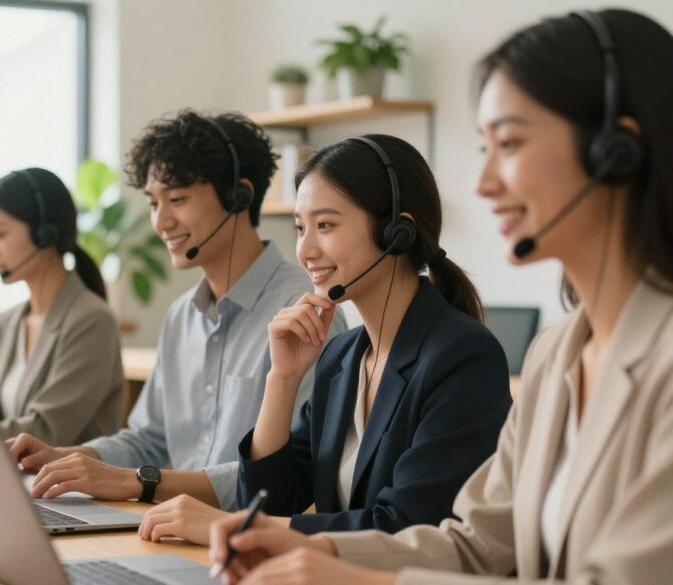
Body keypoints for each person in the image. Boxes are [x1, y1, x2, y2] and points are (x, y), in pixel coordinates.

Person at [208, 9, 673, 585]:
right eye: (485, 149)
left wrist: (355, 576)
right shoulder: (556, 356)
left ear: (614, 152)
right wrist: (309, 552)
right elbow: (476, 545)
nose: (483, 185)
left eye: (510, 142)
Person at [138, 135, 511, 545]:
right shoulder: (342, 357)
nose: (305, 249)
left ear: (396, 232)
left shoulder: (462, 358)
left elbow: (406, 528)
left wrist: (228, 525)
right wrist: (282, 380)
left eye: (326, 225)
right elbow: (270, 503)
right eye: (301, 228)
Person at [7, 110, 348, 511]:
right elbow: (149, 438)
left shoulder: (306, 313)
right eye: (154, 203)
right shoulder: (181, 316)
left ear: (239, 196)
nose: (161, 221)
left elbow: (287, 473)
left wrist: (140, 483)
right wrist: (66, 458)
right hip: (172, 526)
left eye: (178, 199)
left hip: (244, 539)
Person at [0, 167, 124, 445]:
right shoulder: (10, 322)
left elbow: (46, 430)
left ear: (45, 234)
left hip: (65, 487)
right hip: (1, 475)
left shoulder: (92, 320)